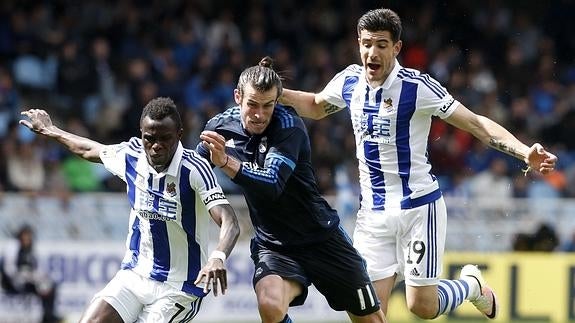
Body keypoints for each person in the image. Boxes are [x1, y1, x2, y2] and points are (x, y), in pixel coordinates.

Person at [279, 8, 558, 320]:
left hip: (418, 208)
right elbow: (316, 106)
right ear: (358, 44)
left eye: (382, 45)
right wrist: (276, 93)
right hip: (372, 216)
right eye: (367, 44)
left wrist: (523, 152)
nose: (372, 52)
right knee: (364, 313)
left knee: (421, 306)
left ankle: (471, 285)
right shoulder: (349, 82)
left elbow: (476, 123)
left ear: (396, 48)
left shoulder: (417, 87)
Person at [197, 57, 387, 323]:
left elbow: (272, 185)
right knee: (270, 305)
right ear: (238, 97)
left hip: (322, 239)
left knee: (372, 320)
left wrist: (227, 162)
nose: (259, 115)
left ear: (277, 101)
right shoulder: (219, 128)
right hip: (274, 246)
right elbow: (195, 175)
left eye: (268, 106)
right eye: (252, 104)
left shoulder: (288, 127)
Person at [19, 97, 240, 323]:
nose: (156, 146)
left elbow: (229, 220)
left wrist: (218, 257)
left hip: (178, 288)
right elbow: (88, 149)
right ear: (141, 133)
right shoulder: (131, 156)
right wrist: (51, 130)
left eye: (165, 139)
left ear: (179, 135)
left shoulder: (194, 169)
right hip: (135, 275)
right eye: (150, 138)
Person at [1, 224, 62, 323]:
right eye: (25, 235)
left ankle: (47, 316)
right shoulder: (13, 246)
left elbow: (35, 268)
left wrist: (36, 276)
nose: (27, 238)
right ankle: (48, 317)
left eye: (29, 236)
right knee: (44, 287)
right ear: (20, 236)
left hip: (28, 281)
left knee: (50, 287)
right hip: (13, 283)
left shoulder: (31, 249)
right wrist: (22, 275)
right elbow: (9, 269)